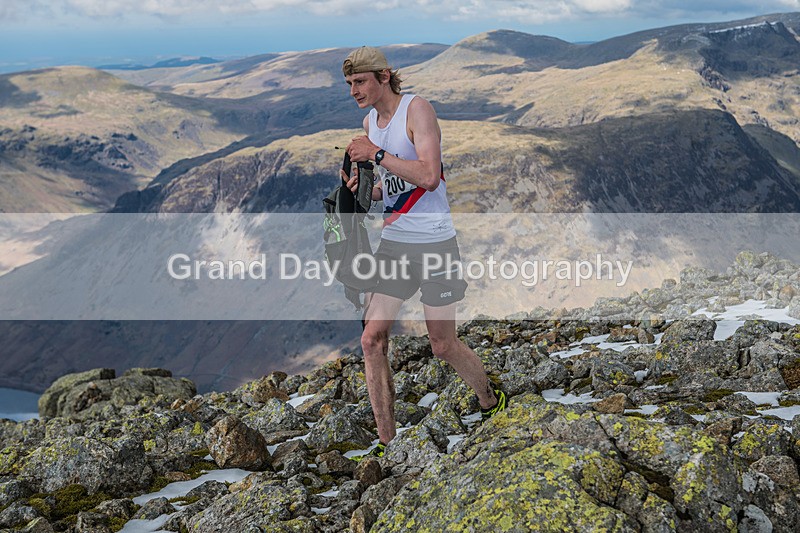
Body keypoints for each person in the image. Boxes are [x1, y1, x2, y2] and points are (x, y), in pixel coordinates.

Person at [340, 46, 506, 459]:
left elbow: (429, 176)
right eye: (349, 84)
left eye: (360, 82)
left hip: (434, 242)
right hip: (396, 243)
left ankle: (490, 400)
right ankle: (387, 443)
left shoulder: (417, 111)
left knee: (443, 345)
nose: (354, 91)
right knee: (371, 339)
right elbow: (395, 189)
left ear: (383, 76)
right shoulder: (369, 123)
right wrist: (365, 190)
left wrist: (376, 155)